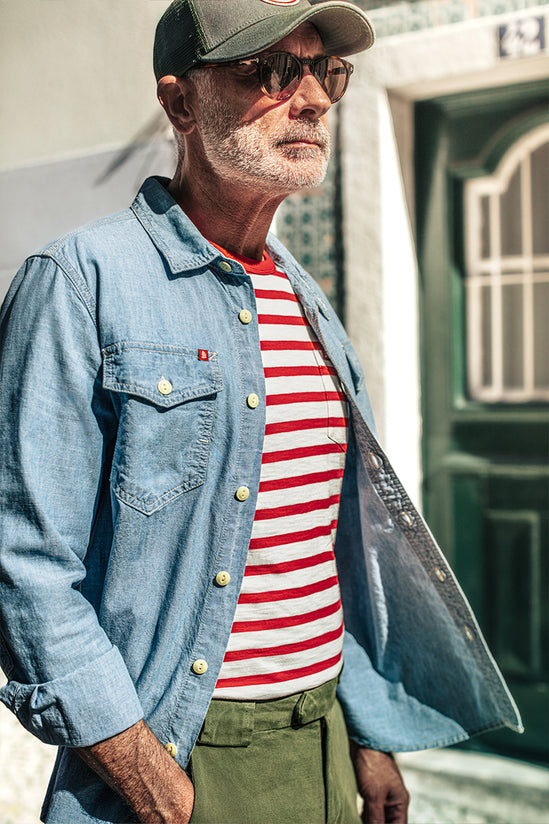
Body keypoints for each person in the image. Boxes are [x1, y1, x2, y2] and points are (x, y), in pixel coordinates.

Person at [0, 1, 522, 823]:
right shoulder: (79, 282)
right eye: (270, 70)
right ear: (180, 103)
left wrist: (366, 734)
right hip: (179, 752)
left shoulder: (304, 299)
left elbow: (327, 546)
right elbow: (24, 562)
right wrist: (148, 780)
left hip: (321, 738)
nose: (310, 98)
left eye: (325, 72)